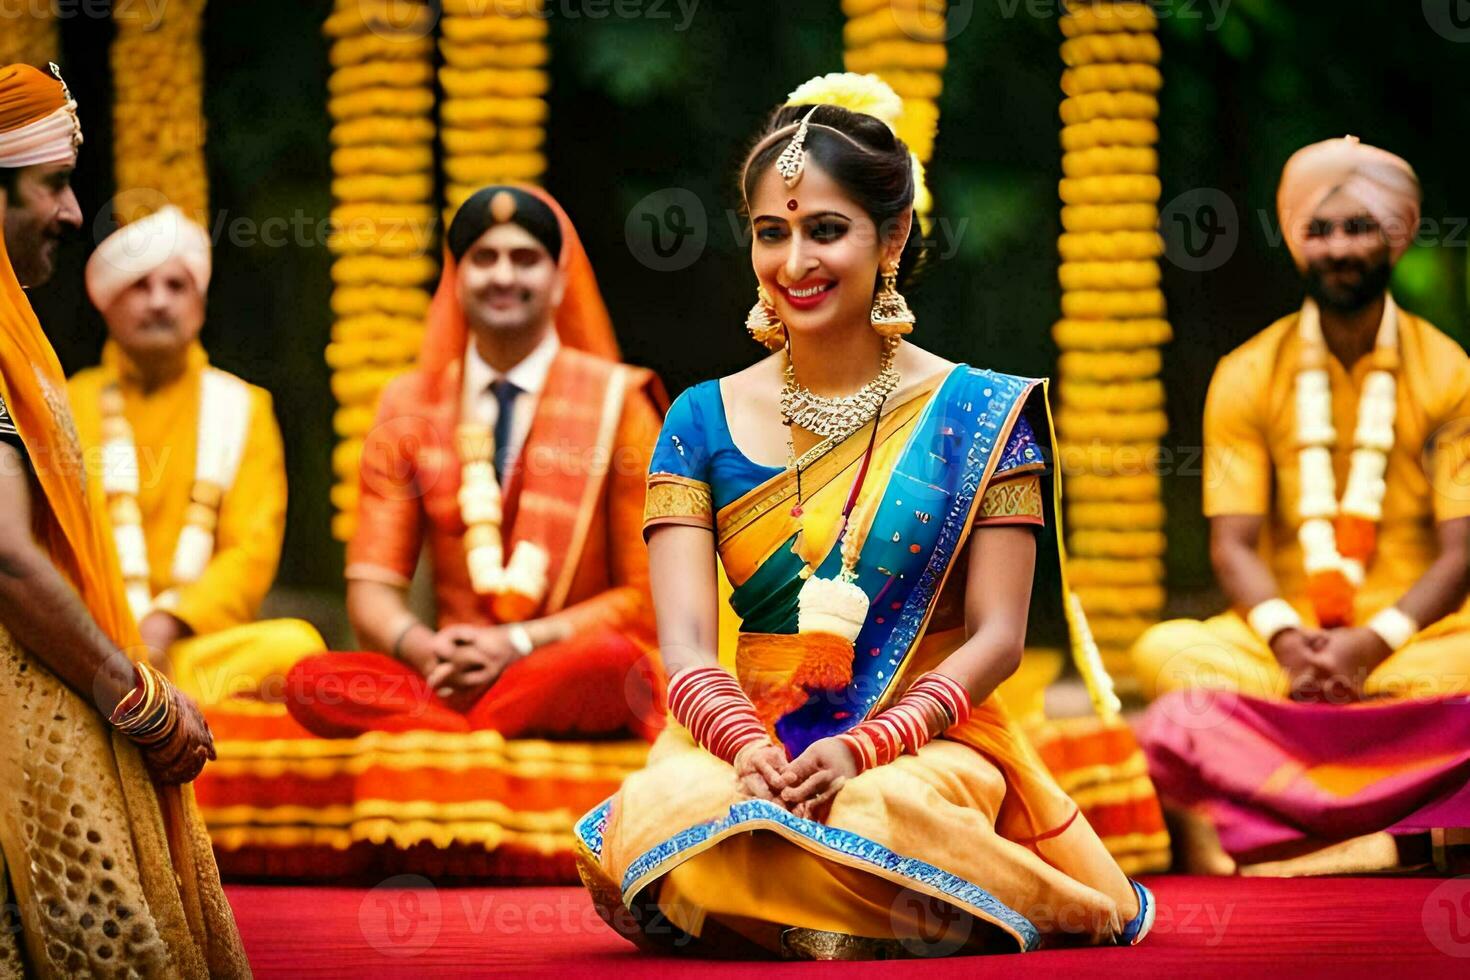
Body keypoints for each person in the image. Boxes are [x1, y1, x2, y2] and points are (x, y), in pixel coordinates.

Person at [575, 73, 1152, 960]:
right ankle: (868, 908)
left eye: (826, 230)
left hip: (930, 733)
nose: (795, 262)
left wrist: (867, 745)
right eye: (773, 233)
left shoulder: (980, 415)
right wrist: (741, 746)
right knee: (670, 805)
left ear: (893, 236)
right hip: (748, 736)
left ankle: (772, 900)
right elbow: (686, 643)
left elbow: (998, 638)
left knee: (890, 811)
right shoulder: (697, 418)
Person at [0, 62, 248, 976]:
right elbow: (5, 557)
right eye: (54, 184)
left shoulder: (243, 408)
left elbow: (249, 553)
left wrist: (153, 644)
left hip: (128, 644)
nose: (72, 211)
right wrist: (130, 692)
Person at [286, 184, 665, 743]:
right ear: (456, 279)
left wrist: (517, 643)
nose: (504, 276)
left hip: (558, 661)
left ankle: (451, 733)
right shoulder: (409, 405)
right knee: (310, 681)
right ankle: (476, 724)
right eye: (483, 259)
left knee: (611, 665)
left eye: (525, 259)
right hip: (446, 673)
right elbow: (371, 590)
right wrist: (424, 646)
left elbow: (644, 599)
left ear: (560, 280)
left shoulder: (620, 402)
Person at [1130, 137, 1470, 704]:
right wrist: (1288, 642)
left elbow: (1462, 551)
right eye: (1319, 231)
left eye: (1359, 227)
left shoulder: (1450, 373)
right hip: (1282, 646)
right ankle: (1365, 719)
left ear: (1393, 237)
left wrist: (1372, 644)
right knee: (1165, 652)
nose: (1338, 249)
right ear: (1295, 242)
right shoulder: (1248, 372)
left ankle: (1301, 723)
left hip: (1414, 642)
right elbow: (1232, 543)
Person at [67, 205, 326, 705]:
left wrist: (165, 626)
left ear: (200, 307)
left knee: (295, 646)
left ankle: (152, 697)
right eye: (139, 286)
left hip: (190, 647)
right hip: (89, 643)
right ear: (107, 305)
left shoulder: (243, 406)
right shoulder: (68, 402)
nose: (159, 302)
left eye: (175, 286)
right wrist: (111, 636)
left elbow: (250, 550)